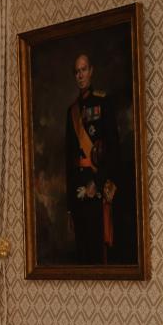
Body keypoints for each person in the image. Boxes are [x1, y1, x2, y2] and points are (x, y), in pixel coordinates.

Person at [64, 52, 120, 265]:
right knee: (82, 252)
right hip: (79, 191)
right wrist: (70, 204)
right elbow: (68, 159)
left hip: (97, 186)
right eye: (77, 71)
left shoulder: (103, 103)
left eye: (84, 69)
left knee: (98, 254)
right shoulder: (71, 112)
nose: (80, 75)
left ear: (91, 71)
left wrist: (97, 184)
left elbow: (113, 150)